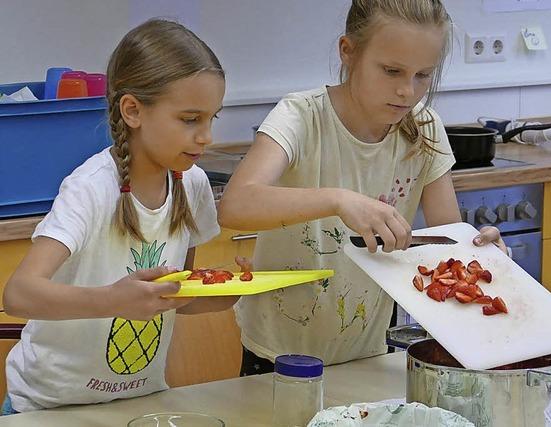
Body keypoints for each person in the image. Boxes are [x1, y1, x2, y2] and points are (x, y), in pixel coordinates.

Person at [218, 0, 506, 376]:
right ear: (348, 52)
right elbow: (235, 205)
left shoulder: (424, 128)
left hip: (370, 352)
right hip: (278, 355)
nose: (407, 91)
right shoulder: (301, 116)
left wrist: (480, 256)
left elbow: (445, 242)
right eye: (391, 71)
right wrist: (337, 199)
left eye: (423, 75)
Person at [2, 19, 234, 413]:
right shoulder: (90, 188)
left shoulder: (192, 185)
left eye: (213, 118)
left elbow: (173, 296)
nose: (206, 136)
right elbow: (19, 294)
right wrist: (112, 299)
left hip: (138, 403)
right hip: (49, 408)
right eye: (190, 119)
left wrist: (222, 297)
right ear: (132, 111)